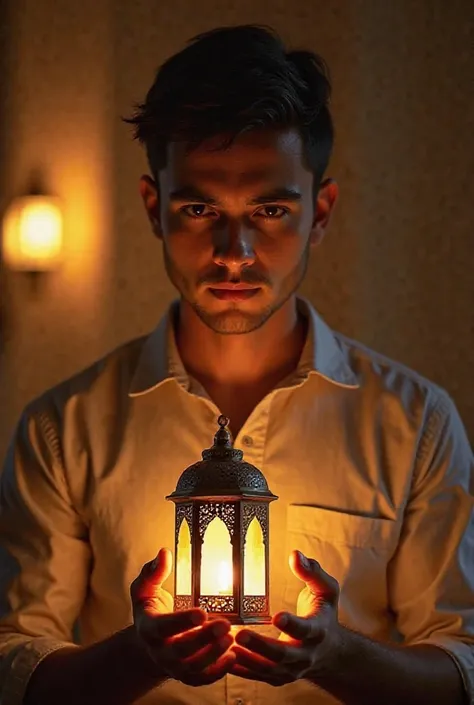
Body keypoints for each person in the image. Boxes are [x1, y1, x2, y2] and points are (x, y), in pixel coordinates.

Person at [0, 23, 473, 705]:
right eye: (200, 208)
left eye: (270, 209)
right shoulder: (61, 430)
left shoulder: (415, 422)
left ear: (321, 212)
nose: (234, 251)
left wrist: (335, 653)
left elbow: (462, 670)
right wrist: (139, 654)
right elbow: (17, 663)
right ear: (153, 207)